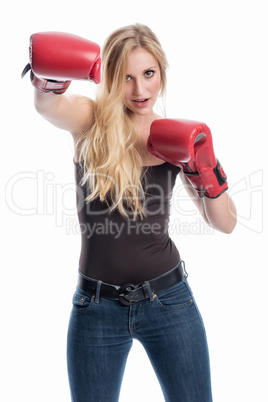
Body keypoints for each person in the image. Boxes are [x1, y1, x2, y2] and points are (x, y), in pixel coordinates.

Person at [22, 24, 237, 402]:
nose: (140, 90)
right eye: (126, 78)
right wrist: (47, 77)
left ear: (161, 73)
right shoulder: (90, 121)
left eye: (149, 74)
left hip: (169, 301)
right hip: (95, 307)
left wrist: (206, 164)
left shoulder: (173, 137)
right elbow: (48, 106)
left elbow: (225, 222)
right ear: (108, 78)